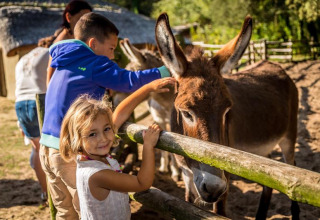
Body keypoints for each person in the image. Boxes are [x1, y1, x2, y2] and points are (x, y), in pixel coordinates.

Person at [39, 12, 171, 219]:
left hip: (47, 148)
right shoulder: (92, 62)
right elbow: (127, 80)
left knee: (65, 211)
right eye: (111, 49)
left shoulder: (66, 59)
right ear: (92, 43)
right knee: (86, 209)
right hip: (68, 153)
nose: (112, 56)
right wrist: (164, 71)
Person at [59, 76, 175, 220]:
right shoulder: (97, 174)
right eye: (92, 134)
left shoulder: (88, 154)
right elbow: (142, 183)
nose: (103, 138)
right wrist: (148, 145)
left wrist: (148, 88)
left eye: (107, 129)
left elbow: (121, 113)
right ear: (77, 139)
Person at [14, 43, 49, 205]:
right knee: (49, 149)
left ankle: (45, 192)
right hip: (39, 102)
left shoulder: (24, 59)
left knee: (37, 149)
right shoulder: (49, 53)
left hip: (20, 103)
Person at [46, 0, 93, 85]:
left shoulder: (78, 41)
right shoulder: (61, 43)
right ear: (69, 17)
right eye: (81, 19)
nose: (86, 24)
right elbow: (50, 76)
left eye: (89, 20)